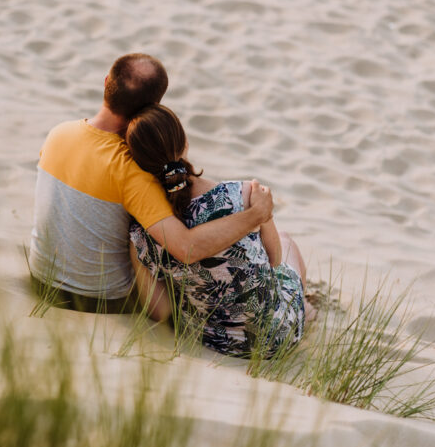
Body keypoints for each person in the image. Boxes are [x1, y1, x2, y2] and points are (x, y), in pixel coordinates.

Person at [29, 53, 274, 313]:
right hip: (99, 301)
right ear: (153, 108)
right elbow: (186, 249)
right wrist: (256, 214)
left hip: (40, 282)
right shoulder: (132, 171)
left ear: (106, 83)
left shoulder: (59, 133)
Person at [126, 104, 311, 356]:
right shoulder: (244, 195)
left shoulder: (141, 235)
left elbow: (160, 311)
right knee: (287, 242)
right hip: (275, 340)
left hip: (216, 342)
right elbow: (275, 260)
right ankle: (306, 311)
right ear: (185, 144)